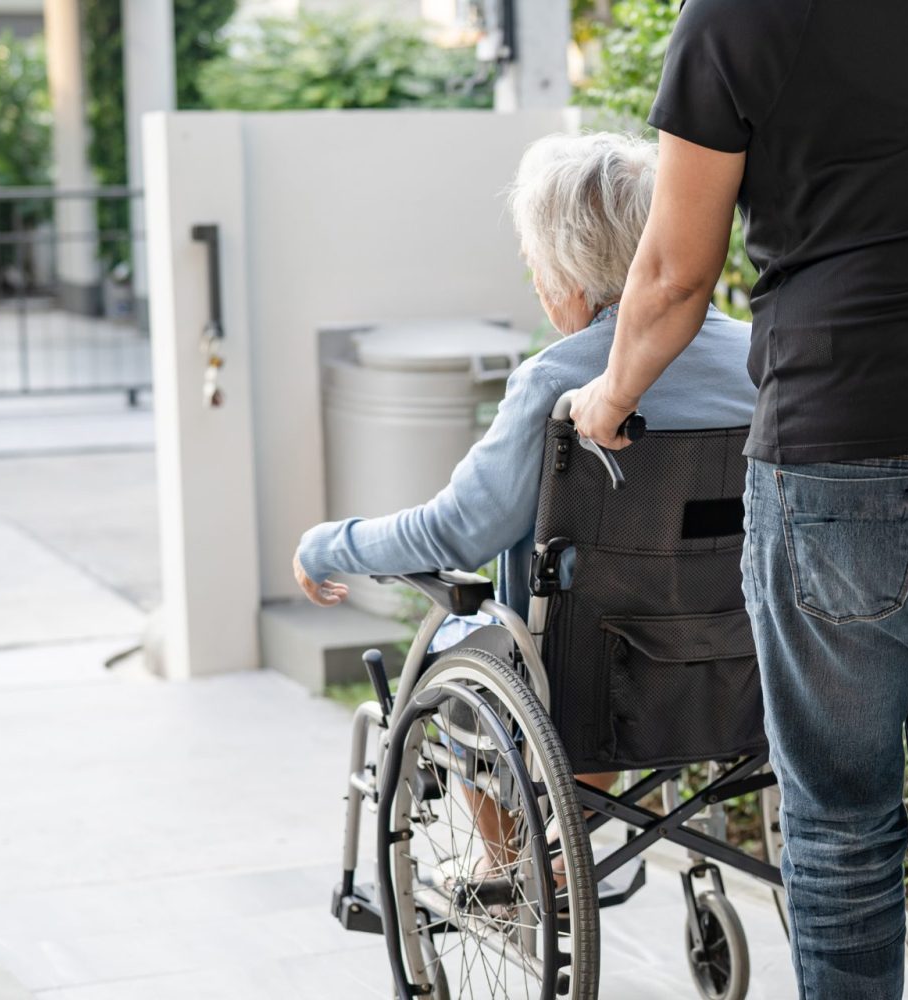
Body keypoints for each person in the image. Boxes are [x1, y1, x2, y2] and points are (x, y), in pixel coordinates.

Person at [570, 2, 908, 998]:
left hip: (844, 447)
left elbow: (678, 272)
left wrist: (612, 394)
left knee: (844, 826)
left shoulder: (733, 17)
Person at [292, 130, 757, 873]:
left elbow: (457, 532)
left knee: (463, 651)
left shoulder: (557, 380)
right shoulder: (760, 357)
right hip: (742, 661)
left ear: (568, 275)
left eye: (535, 262)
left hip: (590, 682)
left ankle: (506, 866)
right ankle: (563, 847)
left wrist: (330, 544)